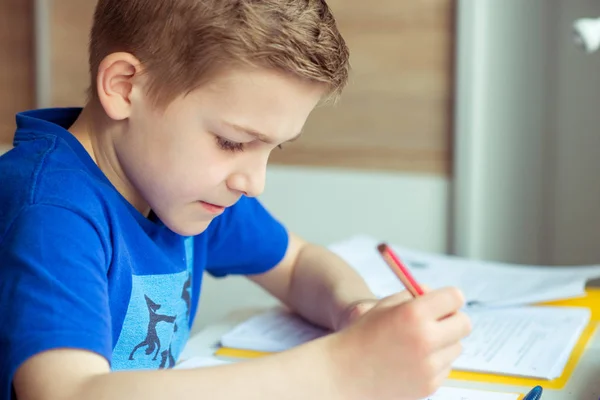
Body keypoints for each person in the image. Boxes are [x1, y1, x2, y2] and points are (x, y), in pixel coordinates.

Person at [0, 1, 471, 399]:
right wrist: (340, 370)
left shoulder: (178, 186)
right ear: (125, 86)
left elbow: (299, 261)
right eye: (231, 142)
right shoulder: (51, 211)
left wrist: (355, 312)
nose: (254, 181)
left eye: (274, 147)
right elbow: (68, 392)